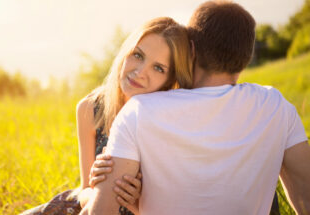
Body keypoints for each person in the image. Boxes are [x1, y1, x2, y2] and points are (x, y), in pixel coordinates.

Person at [80, 1, 310, 214]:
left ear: (190, 51)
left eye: (159, 68)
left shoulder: (139, 111)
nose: (141, 73)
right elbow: (305, 197)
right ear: (246, 58)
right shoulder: (275, 106)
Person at [20, 17, 193, 215]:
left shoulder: (168, 123)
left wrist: (136, 203)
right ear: (125, 53)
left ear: (169, 80)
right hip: (86, 206)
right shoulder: (90, 108)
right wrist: (99, 188)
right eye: (137, 55)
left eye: (158, 68)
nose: (140, 72)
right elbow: (83, 190)